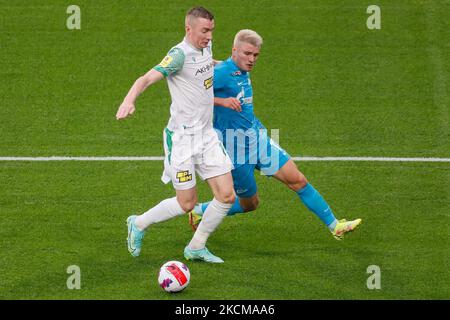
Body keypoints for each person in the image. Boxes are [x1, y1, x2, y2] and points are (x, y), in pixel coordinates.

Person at [189, 29, 361, 240]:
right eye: (247, 54)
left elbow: (226, 65)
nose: (252, 60)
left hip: (258, 140)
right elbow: (193, 96)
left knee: (298, 180)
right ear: (235, 50)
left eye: (256, 55)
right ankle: (199, 211)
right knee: (250, 204)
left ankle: (335, 226)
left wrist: (214, 62)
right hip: (235, 149)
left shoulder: (239, 68)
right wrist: (222, 101)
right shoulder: (223, 73)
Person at [116, 7, 236, 263]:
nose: (209, 36)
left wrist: (226, 65)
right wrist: (129, 101)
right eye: (205, 31)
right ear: (188, 29)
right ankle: (138, 223)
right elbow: (145, 79)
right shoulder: (178, 55)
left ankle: (196, 247)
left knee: (226, 195)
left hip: (207, 136)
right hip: (182, 140)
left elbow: (206, 66)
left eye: (212, 30)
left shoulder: (206, 47)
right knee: (187, 204)